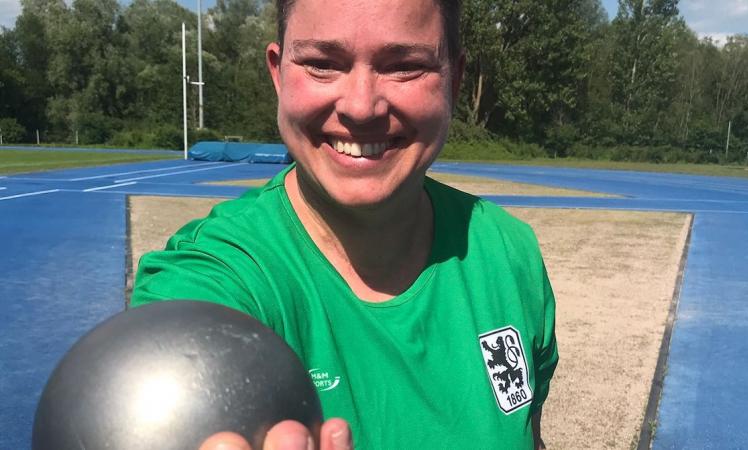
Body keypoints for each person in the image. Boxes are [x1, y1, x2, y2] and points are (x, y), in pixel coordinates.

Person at [131, 0, 558, 448]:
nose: (361, 106)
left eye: (404, 66)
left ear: (455, 80)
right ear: (278, 74)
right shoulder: (214, 278)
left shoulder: (508, 252)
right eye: (321, 64)